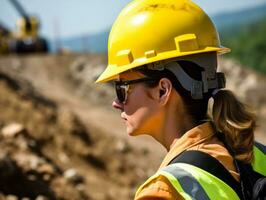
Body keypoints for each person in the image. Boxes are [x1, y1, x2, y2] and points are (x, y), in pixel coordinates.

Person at [96, 0, 266, 199]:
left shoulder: (163, 192)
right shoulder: (256, 152)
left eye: (122, 88)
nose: (116, 102)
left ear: (162, 91)